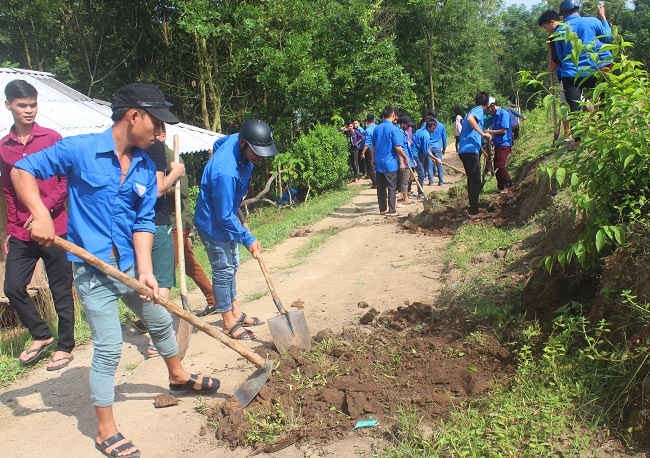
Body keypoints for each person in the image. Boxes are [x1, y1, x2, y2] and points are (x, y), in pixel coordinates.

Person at [11, 82, 219, 458]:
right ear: (133, 115)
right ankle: (106, 430)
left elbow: (142, 224)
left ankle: (178, 376)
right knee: (108, 347)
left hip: (127, 266)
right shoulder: (81, 150)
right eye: (156, 123)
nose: (159, 133)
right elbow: (22, 170)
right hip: (92, 273)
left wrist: (145, 272)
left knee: (159, 318)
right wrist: (40, 214)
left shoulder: (143, 165)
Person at [0, 79, 75, 371]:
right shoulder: (4, 147)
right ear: (9, 106)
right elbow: (7, 189)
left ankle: (65, 345)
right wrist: (10, 228)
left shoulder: (52, 138)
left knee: (60, 288)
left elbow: (63, 180)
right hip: (21, 230)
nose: (29, 110)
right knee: (13, 286)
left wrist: (43, 211)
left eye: (33, 104)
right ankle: (41, 335)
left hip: (55, 226)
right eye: (22, 105)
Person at [194, 119, 277, 340]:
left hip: (227, 215)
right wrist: (247, 237)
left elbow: (218, 144)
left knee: (233, 263)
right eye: (256, 152)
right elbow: (222, 216)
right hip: (214, 223)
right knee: (223, 269)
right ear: (243, 144)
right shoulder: (225, 172)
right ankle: (227, 321)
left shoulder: (234, 141)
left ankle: (235, 311)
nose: (259, 157)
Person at [142, 125, 186, 357]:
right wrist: (175, 173)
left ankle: (152, 329)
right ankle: (155, 337)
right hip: (157, 221)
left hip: (132, 225)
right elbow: (158, 189)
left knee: (146, 278)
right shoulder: (155, 148)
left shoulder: (124, 148)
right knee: (162, 278)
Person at [457, 92, 492, 219]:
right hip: (469, 151)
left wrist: (483, 150)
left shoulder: (474, 110)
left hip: (469, 150)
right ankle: (473, 209)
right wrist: (483, 133)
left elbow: (471, 134)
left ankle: (473, 207)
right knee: (475, 180)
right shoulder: (478, 110)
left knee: (473, 179)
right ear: (486, 103)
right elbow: (470, 119)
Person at [370, 106, 408, 216]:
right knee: (392, 187)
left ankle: (382, 209)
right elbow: (397, 148)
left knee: (381, 188)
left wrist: (373, 159)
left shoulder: (376, 128)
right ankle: (392, 210)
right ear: (393, 115)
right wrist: (405, 157)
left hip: (379, 162)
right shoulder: (394, 129)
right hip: (390, 163)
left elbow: (373, 146)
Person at [486, 99, 513, 193]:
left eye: (489, 109)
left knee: (500, 165)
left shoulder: (503, 114)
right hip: (497, 143)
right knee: (496, 165)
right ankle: (501, 186)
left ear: (493, 106)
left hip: (504, 143)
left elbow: (504, 130)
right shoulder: (494, 116)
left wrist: (490, 132)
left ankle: (508, 184)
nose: (488, 111)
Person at [413, 118, 440, 199]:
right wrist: (436, 158)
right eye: (433, 128)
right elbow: (426, 151)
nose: (434, 130)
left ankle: (409, 192)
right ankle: (420, 194)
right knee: (421, 175)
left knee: (418, 174)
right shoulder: (426, 136)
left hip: (415, 154)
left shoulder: (419, 131)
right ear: (429, 127)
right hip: (416, 155)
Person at [397, 114, 416, 206]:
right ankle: (405, 197)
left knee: (409, 178)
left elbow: (408, 147)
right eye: (407, 125)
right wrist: (403, 160)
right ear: (402, 124)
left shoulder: (405, 132)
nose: (409, 126)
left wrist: (412, 159)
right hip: (404, 160)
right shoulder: (399, 133)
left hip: (408, 159)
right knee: (405, 180)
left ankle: (403, 195)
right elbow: (399, 148)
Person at [428, 111, 448, 186]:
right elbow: (444, 138)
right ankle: (441, 181)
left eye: (429, 116)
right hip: (437, 147)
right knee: (439, 164)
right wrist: (444, 149)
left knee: (429, 164)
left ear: (432, 117)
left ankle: (431, 181)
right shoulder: (441, 126)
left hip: (429, 147)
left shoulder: (427, 125)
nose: (428, 118)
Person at [359, 114, 377, 187]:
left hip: (370, 149)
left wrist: (363, 152)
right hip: (378, 148)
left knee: (371, 166)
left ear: (367, 121)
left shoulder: (368, 130)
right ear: (374, 120)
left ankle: (375, 183)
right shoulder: (377, 127)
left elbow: (367, 142)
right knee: (377, 165)